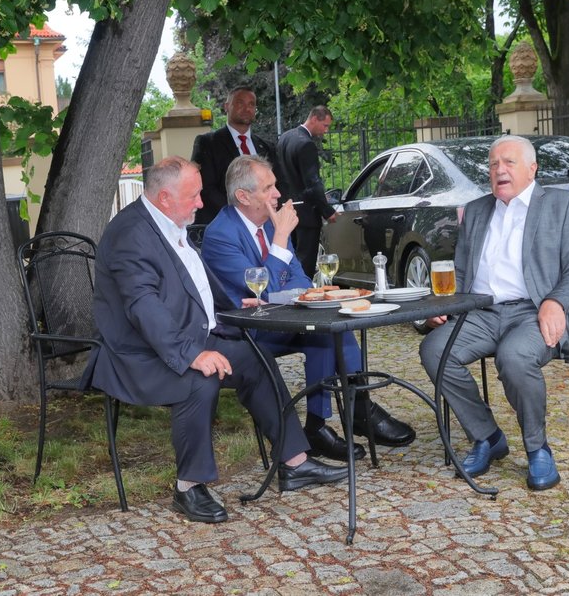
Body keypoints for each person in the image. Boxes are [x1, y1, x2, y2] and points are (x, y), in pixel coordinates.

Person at [83, 156, 346, 524]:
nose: (201, 203)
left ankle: (294, 463)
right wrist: (193, 353)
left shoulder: (169, 220)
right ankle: (189, 487)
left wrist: (234, 304)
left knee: (257, 361)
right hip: (139, 353)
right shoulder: (131, 235)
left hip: (188, 336)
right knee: (200, 380)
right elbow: (143, 307)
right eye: (193, 196)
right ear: (163, 197)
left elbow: (192, 282)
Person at [202, 155, 416, 458]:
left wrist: (286, 283)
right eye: (269, 188)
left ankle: (326, 420)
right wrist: (280, 241)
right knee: (324, 331)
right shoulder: (221, 235)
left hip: (280, 318)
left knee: (333, 325)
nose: (278, 194)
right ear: (243, 196)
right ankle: (354, 412)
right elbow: (267, 286)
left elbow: (299, 281)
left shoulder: (271, 226)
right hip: (248, 331)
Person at [418, 135, 569, 491]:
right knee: (434, 350)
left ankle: (537, 448)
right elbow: (462, 274)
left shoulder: (562, 205)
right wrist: (443, 307)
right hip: (481, 311)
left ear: (532, 168)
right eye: (494, 164)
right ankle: (487, 435)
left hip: (533, 311)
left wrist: (555, 301)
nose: (500, 170)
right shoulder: (478, 209)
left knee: (513, 358)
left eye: (509, 163)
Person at [191, 85, 277, 225]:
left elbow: (279, 185)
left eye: (251, 104)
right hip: (225, 223)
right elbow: (206, 188)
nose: (246, 108)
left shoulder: (267, 147)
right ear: (226, 106)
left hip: (265, 223)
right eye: (240, 103)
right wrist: (242, 214)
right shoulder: (208, 143)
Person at [276, 106, 337, 278]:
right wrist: (327, 210)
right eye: (325, 125)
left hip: (286, 209)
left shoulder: (285, 138)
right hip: (306, 213)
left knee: (289, 259)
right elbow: (312, 183)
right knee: (305, 263)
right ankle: (303, 295)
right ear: (314, 119)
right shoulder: (306, 144)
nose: (326, 131)